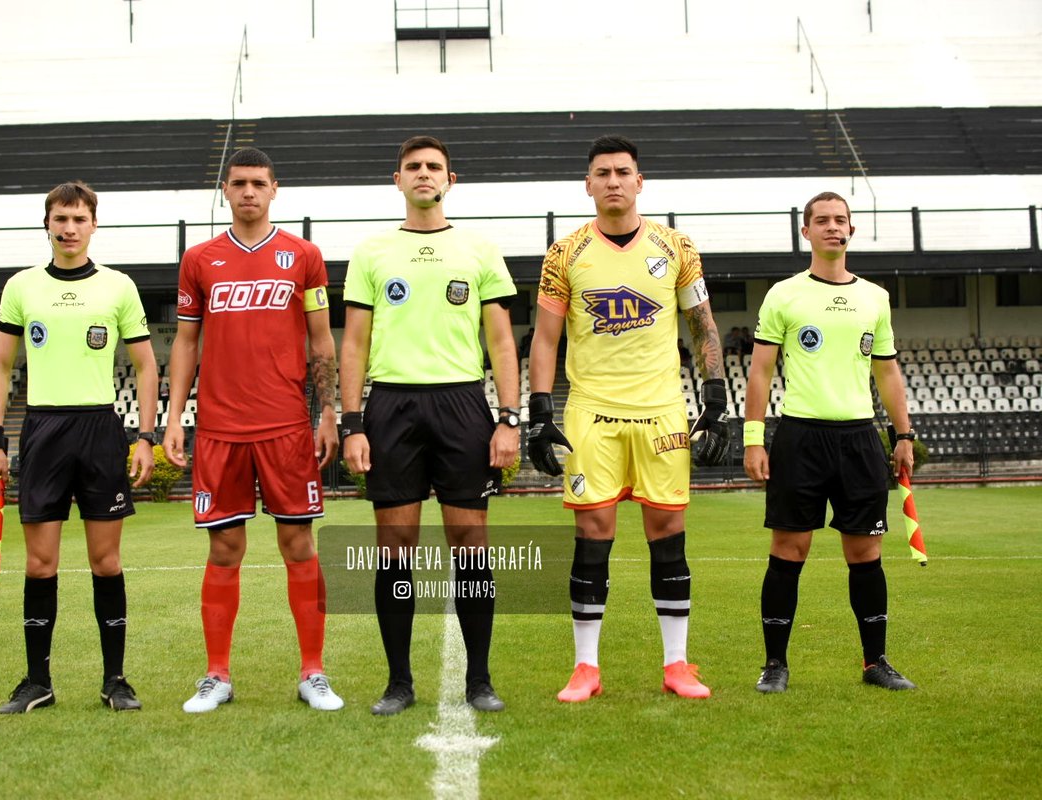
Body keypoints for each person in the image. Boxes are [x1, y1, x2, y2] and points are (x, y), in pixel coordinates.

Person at [527, 135, 730, 703]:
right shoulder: (564, 253)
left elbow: (704, 325)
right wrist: (538, 412)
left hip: (663, 409)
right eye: (602, 173)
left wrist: (715, 399)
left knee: (667, 531)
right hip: (591, 411)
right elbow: (544, 339)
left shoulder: (677, 246)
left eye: (623, 172)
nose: (613, 181)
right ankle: (585, 668)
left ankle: (677, 665)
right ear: (587, 185)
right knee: (593, 533)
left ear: (640, 181)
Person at [340, 135, 520, 716]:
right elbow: (356, 344)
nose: (423, 175)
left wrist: (508, 419)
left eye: (433, 167)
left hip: (463, 404)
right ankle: (399, 682)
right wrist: (352, 423)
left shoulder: (479, 249)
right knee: (395, 547)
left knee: (470, 542)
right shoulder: (371, 252)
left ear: (451, 179)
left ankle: (480, 679)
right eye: (413, 167)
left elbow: (500, 341)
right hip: (391, 406)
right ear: (397, 180)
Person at [163, 147, 344, 714]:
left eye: (258, 183)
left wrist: (329, 411)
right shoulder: (199, 260)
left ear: (274, 189)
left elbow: (321, 340)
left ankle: (312, 672)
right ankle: (217, 675)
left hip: (286, 426)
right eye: (238, 183)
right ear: (225, 190)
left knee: (298, 544)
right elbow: (187, 341)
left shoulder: (303, 257)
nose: (248, 192)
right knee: (224, 548)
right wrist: (173, 415)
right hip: (219, 427)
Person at [0, 180, 158, 714]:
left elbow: (147, 364)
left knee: (106, 561)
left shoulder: (118, 287)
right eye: (60, 219)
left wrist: (145, 436)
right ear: (47, 224)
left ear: (93, 225)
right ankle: (38, 680)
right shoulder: (21, 286)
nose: (69, 228)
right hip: (42, 429)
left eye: (79, 219)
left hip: (100, 430)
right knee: (40, 563)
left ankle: (115, 680)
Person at [743, 191, 917, 693]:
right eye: (822, 220)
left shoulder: (875, 298)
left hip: (860, 438)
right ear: (806, 231)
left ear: (852, 230)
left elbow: (886, 370)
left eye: (841, 220)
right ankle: (775, 665)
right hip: (800, 436)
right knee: (788, 550)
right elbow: (760, 371)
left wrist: (902, 432)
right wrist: (754, 440)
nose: (833, 228)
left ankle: (875, 663)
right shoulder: (784, 294)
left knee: (866, 554)